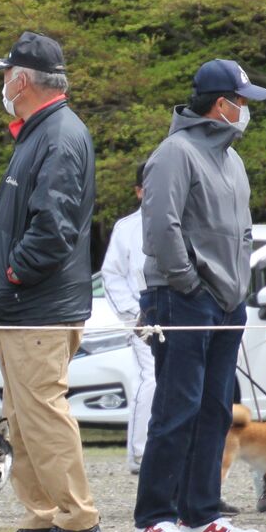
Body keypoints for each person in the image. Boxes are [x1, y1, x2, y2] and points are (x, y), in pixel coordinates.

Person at [130, 60, 266, 532]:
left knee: (215, 407)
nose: (246, 109)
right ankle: (154, 515)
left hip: (228, 300)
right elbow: (161, 227)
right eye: (242, 100)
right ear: (220, 103)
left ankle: (202, 510)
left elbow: (245, 230)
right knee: (178, 405)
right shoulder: (175, 152)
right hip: (182, 297)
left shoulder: (231, 158)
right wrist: (188, 283)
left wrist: (238, 289)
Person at [0, 31, 105, 532]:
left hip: (39, 303)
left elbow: (52, 228)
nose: (3, 83)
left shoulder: (57, 136)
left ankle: (78, 520)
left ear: (23, 79)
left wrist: (12, 272)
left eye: (6, 74)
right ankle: (44, 515)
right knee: (22, 413)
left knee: (43, 412)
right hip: (24, 304)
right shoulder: (40, 132)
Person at [100, 161, 155, 476]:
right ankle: (140, 452)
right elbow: (113, 275)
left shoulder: (183, 219)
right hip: (141, 317)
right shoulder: (126, 228)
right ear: (138, 191)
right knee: (152, 378)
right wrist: (133, 313)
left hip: (178, 314)